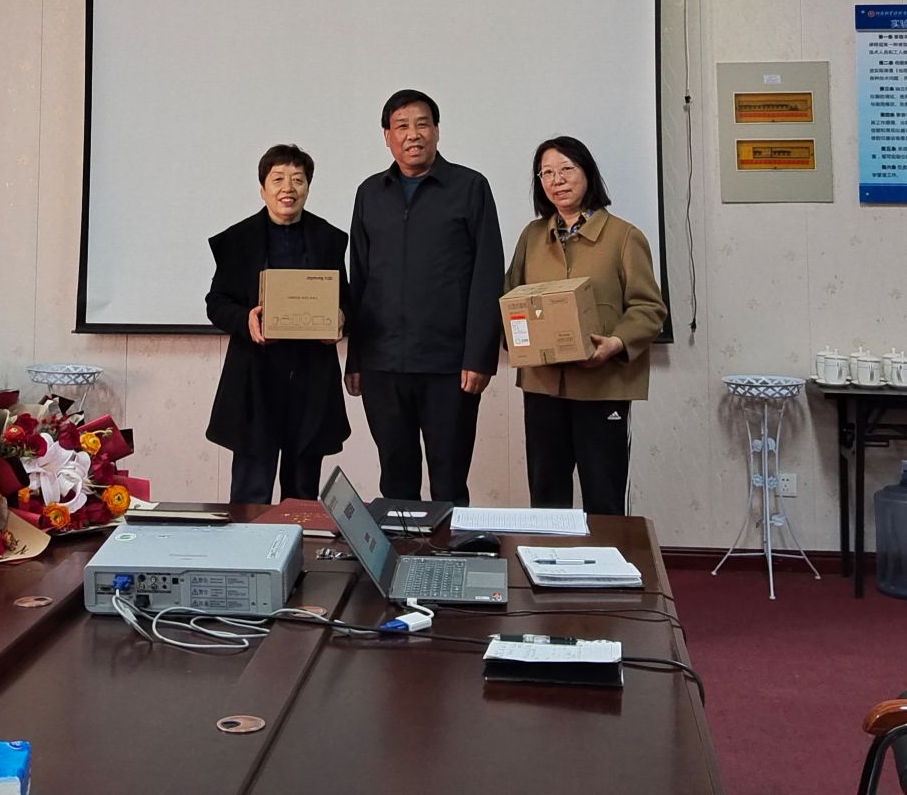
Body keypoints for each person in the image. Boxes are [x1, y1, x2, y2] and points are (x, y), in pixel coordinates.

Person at [345, 90, 504, 505]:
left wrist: (479, 356)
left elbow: (488, 276)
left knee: (449, 483)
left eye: (422, 124)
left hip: (448, 366)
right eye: (402, 126)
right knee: (395, 483)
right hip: (382, 365)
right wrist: (355, 358)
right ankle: (401, 550)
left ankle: (450, 550)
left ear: (436, 131)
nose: (412, 134)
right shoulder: (369, 193)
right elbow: (359, 278)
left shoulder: (470, 187)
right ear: (387, 136)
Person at [506, 136, 666, 515]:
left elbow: (649, 308)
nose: (557, 180)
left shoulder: (624, 237)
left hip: (602, 388)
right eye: (546, 173)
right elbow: (511, 299)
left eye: (566, 169)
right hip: (543, 387)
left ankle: (607, 557)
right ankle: (549, 555)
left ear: (587, 173)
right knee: (546, 497)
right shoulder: (532, 236)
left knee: (604, 498)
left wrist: (615, 343)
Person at [205, 144, 351, 503]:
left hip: (311, 378)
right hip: (255, 379)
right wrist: (246, 319)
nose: (288, 188)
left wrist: (340, 319)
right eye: (278, 179)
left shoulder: (329, 239)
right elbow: (216, 303)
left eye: (298, 180)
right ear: (262, 189)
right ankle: (247, 543)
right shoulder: (237, 240)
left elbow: (346, 300)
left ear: (308, 188)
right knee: (250, 492)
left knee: (302, 495)